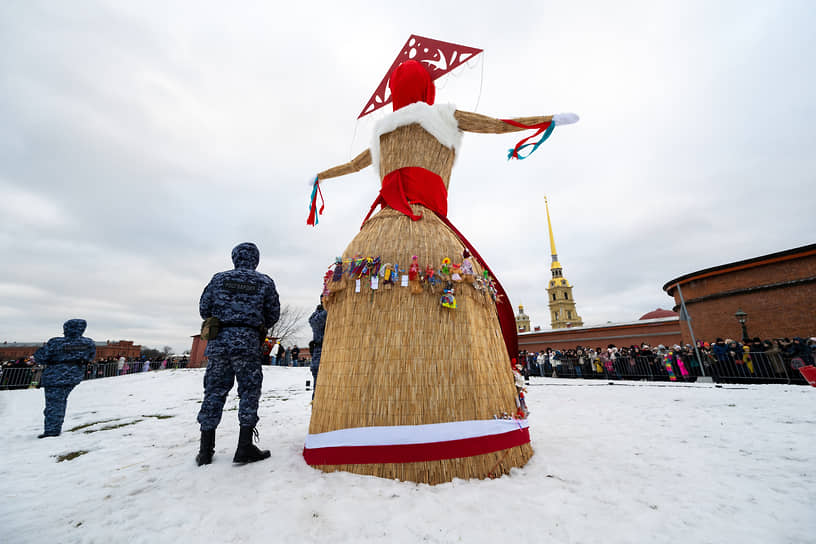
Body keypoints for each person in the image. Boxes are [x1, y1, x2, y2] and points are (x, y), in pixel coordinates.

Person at [195, 242, 280, 466]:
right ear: (256, 259)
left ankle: (205, 450)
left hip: (219, 342)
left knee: (214, 392)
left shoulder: (219, 279)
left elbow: (204, 308)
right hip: (248, 342)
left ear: (234, 258)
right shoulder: (264, 281)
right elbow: (272, 314)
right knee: (249, 392)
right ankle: (244, 447)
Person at [34, 319, 96, 438]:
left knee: (54, 405)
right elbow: (90, 357)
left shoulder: (56, 342)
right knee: (60, 402)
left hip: (55, 376)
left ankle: (52, 431)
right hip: (74, 375)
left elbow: (40, 357)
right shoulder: (89, 343)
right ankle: (54, 427)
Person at [308, 303, 327, 400]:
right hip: (320, 354)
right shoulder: (319, 315)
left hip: (327, 353)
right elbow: (314, 322)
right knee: (318, 388)